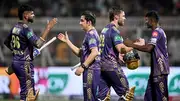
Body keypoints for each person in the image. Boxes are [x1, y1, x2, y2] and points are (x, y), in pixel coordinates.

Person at [4, 4, 57, 101]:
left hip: (16, 63)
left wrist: (20, 52)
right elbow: (38, 43)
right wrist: (48, 27)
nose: (34, 15)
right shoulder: (26, 29)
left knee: (26, 94)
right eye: (32, 14)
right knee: (29, 96)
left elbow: (7, 43)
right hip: (24, 65)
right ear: (25, 15)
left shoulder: (14, 28)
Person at [124, 11, 169, 101]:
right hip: (154, 73)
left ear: (152, 20)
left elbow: (149, 48)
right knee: (148, 98)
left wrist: (131, 45)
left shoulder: (156, 32)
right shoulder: (158, 32)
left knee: (161, 98)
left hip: (160, 72)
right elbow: (151, 49)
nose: (145, 22)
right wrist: (141, 44)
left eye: (147, 20)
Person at [58, 11, 101, 101]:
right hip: (90, 70)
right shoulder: (89, 34)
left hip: (91, 71)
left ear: (89, 22)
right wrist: (67, 42)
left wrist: (82, 66)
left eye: (82, 21)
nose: (80, 23)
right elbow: (80, 53)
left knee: (90, 99)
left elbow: (94, 52)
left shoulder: (91, 35)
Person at [98, 6, 135, 101]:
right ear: (116, 17)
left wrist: (118, 55)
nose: (125, 18)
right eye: (123, 16)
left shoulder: (105, 29)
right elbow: (121, 49)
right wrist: (135, 45)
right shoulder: (114, 31)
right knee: (127, 94)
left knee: (103, 98)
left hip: (102, 67)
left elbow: (107, 47)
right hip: (111, 66)